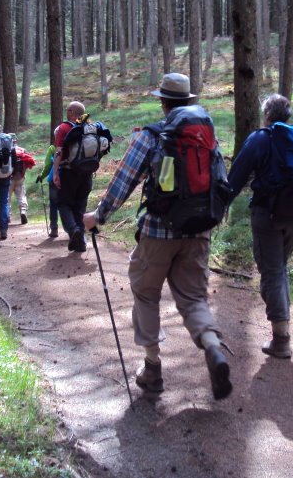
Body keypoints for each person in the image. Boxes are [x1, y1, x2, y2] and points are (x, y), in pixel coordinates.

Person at [83, 73, 232, 401]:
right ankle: (211, 345)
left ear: (163, 102)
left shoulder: (152, 135)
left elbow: (125, 180)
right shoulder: (206, 136)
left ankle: (152, 369)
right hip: (199, 230)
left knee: (146, 294)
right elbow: (221, 181)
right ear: (188, 101)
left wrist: (99, 215)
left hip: (158, 232)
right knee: (194, 297)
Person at [226, 94, 293, 359]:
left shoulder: (260, 138)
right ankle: (281, 316)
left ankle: (281, 338)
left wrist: (221, 203)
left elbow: (236, 176)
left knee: (272, 272)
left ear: (267, 115)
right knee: (278, 268)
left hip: (268, 215)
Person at [54, 101, 92, 252]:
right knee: (80, 207)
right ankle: (80, 243)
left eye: (67, 110)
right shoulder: (89, 126)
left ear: (71, 112)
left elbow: (59, 152)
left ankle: (73, 230)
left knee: (64, 204)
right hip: (87, 174)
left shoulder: (64, 127)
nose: (66, 112)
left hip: (69, 172)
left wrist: (55, 172)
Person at [9, 135, 36, 225]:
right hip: (20, 176)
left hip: (8, 178)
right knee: (21, 195)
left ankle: (6, 215)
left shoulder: (6, 150)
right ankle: (23, 211)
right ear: (15, 141)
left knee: (7, 197)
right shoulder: (22, 150)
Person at [35, 143, 60, 238]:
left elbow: (49, 165)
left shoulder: (53, 148)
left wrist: (41, 176)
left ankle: (54, 228)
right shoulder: (71, 145)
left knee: (54, 204)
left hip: (55, 179)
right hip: (69, 180)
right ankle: (73, 229)